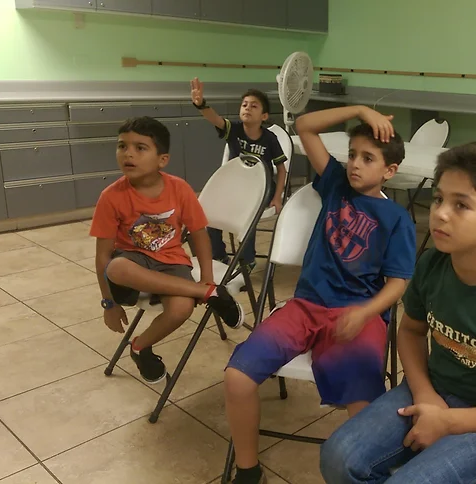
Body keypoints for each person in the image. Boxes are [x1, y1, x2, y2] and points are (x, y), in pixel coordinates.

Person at [320, 141, 476, 484]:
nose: (440, 213)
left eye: (461, 205)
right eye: (439, 199)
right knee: (337, 458)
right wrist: (426, 395)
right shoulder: (433, 264)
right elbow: (411, 331)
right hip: (433, 391)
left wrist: (450, 422)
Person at [223, 105, 417, 484]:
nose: (355, 164)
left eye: (368, 158)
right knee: (237, 377)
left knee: (363, 405)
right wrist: (361, 110)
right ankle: (248, 471)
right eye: (352, 155)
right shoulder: (336, 185)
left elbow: (398, 283)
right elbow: (305, 126)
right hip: (305, 307)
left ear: (389, 171)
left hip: (357, 315)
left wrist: (366, 312)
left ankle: (365, 471)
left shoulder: (397, 220)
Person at [90, 116, 243, 384]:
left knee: (181, 309)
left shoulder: (179, 189)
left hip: (172, 262)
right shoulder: (111, 196)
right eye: (122, 146)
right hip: (133, 265)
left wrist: (207, 276)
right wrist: (109, 304)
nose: (128, 154)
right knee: (116, 266)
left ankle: (140, 347)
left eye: (140, 148)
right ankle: (208, 294)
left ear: (162, 160)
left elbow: (199, 234)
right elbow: (102, 256)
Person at [190, 78, 288, 267]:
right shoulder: (233, 130)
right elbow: (214, 118)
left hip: (262, 189)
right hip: (236, 187)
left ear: (264, 116)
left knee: (246, 215)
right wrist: (200, 104)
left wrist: (277, 197)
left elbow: (282, 170)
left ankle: (247, 260)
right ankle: (219, 255)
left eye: (254, 106)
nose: (247, 108)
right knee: (210, 212)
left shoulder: (270, 139)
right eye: (244, 105)